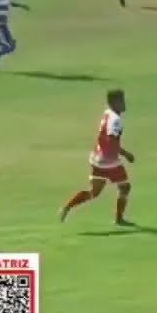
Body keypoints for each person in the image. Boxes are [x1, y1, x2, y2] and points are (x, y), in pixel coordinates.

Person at [60, 89, 136, 226]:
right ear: (113, 102)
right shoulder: (116, 120)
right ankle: (119, 219)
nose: (124, 104)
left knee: (94, 192)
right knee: (125, 187)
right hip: (109, 161)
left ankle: (67, 207)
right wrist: (126, 154)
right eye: (121, 101)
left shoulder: (108, 113)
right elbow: (111, 141)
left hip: (97, 158)